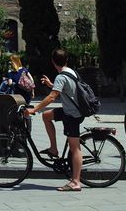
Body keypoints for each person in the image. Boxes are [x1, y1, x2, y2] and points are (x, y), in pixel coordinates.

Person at [24, 48, 85, 192]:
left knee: (75, 148)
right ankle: (54, 148)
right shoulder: (70, 72)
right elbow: (67, 89)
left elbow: (52, 97)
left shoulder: (61, 77)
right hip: (69, 111)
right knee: (47, 116)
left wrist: (34, 109)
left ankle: (76, 182)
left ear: (52, 61)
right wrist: (52, 85)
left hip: (73, 115)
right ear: (67, 60)